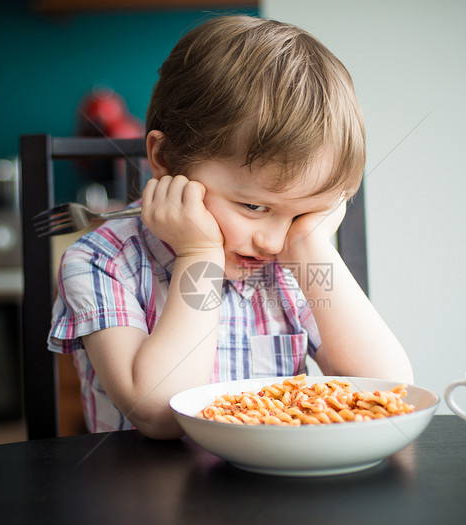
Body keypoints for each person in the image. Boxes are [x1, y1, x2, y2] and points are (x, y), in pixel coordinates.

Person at [49, 15, 413, 439]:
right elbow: (158, 414)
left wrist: (313, 245)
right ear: (165, 161)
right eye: (255, 206)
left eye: (299, 214)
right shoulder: (102, 262)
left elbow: (388, 391)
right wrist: (198, 255)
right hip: (143, 497)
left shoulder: (292, 261)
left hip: (276, 490)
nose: (274, 241)